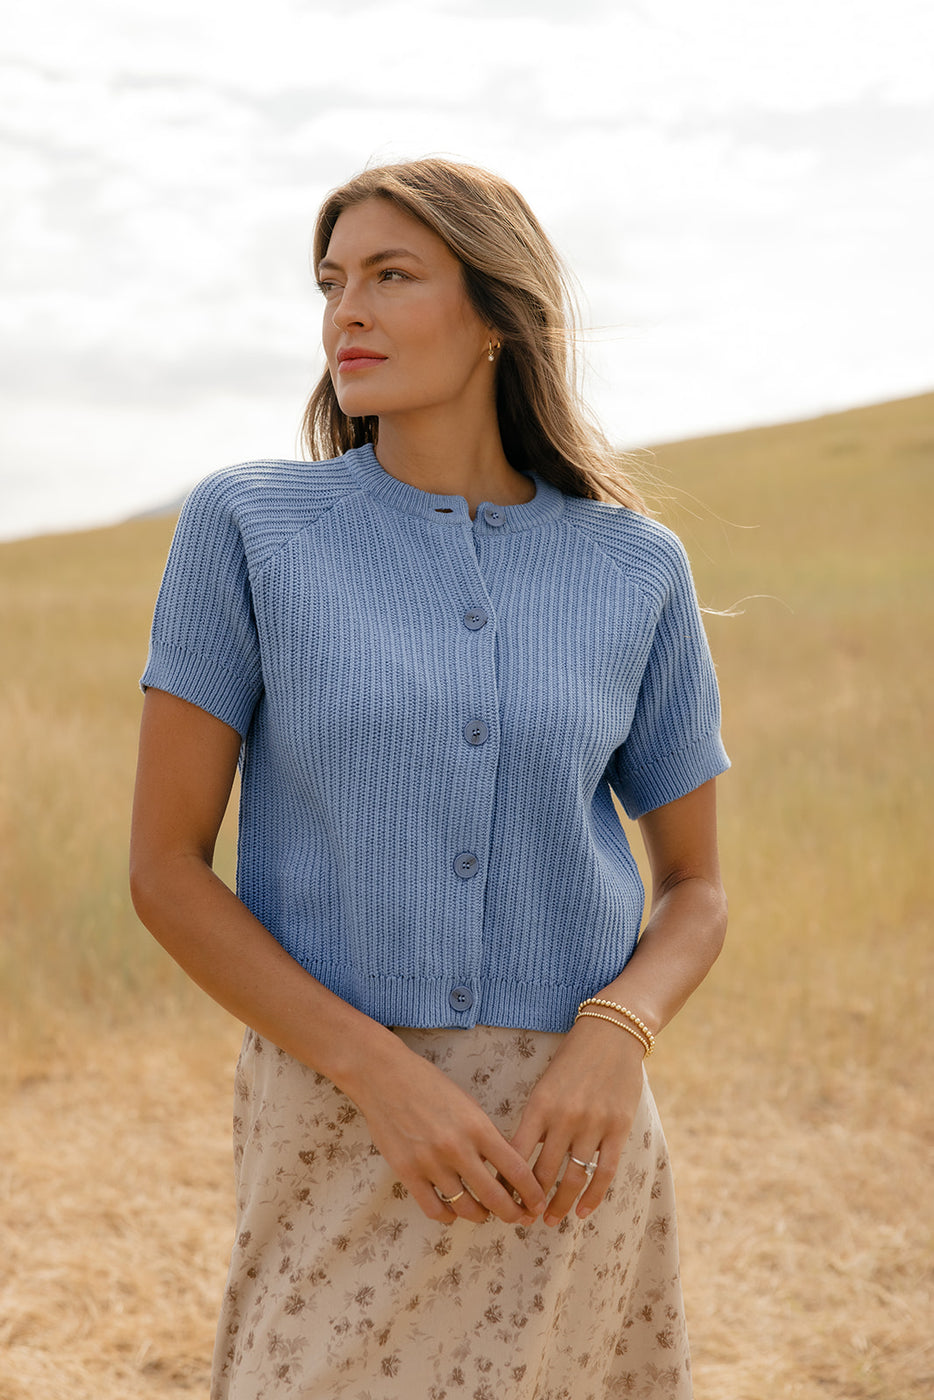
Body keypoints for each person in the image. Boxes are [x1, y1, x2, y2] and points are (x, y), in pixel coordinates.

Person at [130, 156, 730, 1400]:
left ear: (498, 312)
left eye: (390, 276)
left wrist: (614, 1038)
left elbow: (697, 889)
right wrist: (378, 1074)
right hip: (342, 1116)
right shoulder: (249, 527)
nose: (345, 313)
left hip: (572, 1139)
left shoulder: (635, 567)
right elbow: (165, 870)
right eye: (331, 282)